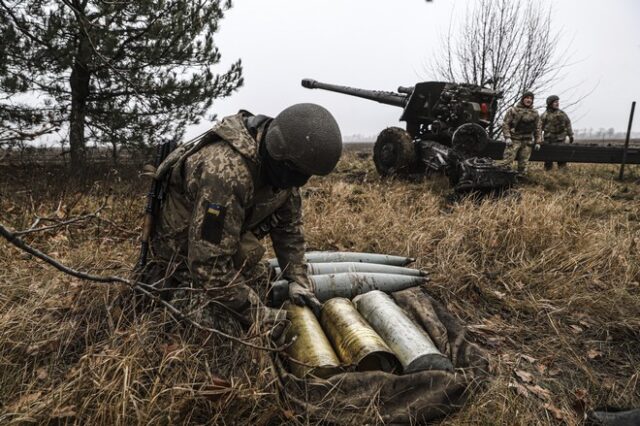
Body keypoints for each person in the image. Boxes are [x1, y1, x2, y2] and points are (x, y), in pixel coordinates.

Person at [147, 103, 342, 325]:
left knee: (261, 284)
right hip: (179, 260)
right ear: (280, 158)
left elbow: (289, 229)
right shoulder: (226, 173)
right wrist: (258, 315)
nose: (299, 183)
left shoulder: (284, 168)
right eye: (298, 175)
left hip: (221, 245)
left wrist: (297, 279)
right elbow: (208, 266)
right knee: (222, 326)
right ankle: (172, 301)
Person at [500, 91, 542, 175]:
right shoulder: (514, 110)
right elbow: (506, 124)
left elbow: (538, 128)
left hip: (527, 141)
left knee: (523, 163)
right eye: (527, 98)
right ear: (523, 99)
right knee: (507, 161)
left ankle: (521, 180)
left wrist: (538, 142)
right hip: (514, 139)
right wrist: (507, 137)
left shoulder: (535, 113)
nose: (529, 100)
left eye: (531, 98)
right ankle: (503, 179)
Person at [541, 95, 574, 170]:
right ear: (550, 103)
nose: (557, 103)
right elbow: (539, 127)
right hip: (548, 140)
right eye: (555, 102)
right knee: (548, 159)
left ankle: (562, 174)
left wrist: (570, 135)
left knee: (562, 158)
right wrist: (538, 138)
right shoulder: (544, 115)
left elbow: (568, 123)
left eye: (558, 102)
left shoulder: (562, 114)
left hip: (560, 139)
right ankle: (548, 174)